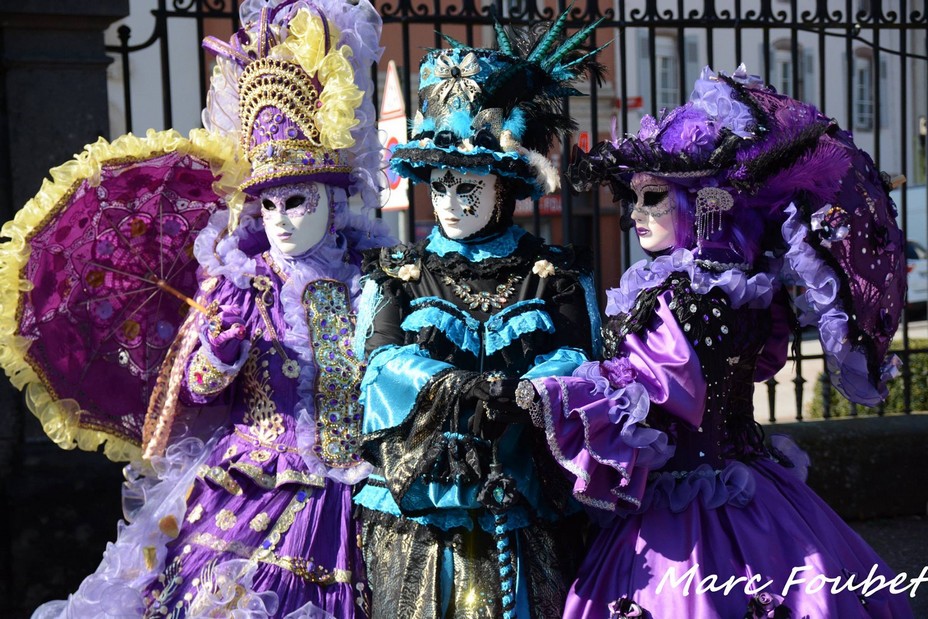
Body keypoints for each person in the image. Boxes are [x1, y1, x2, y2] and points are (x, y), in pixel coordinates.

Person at [32, 0, 392, 616]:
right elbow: (194, 390)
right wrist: (222, 354)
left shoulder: (372, 284)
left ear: (334, 203)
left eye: (298, 201)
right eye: (269, 206)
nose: (280, 220)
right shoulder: (239, 285)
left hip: (361, 494)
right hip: (253, 484)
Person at [519, 66, 915, 618]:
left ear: (700, 201)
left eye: (653, 197)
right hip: (761, 492)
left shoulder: (683, 297)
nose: (635, 212)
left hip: (685, 517)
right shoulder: (747, 290)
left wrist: (555, 391)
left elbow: (659, 394)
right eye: (632, 198)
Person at [352, 12, 606, 619]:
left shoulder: (555, 272)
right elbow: (382, 364)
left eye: (468, 187)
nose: (450, 202)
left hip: (527, 504)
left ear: (504, 188)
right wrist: (455, 387)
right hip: (424, 506)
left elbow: (580, 362)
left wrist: (528, 393)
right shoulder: (399, 273)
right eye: (439, 185)